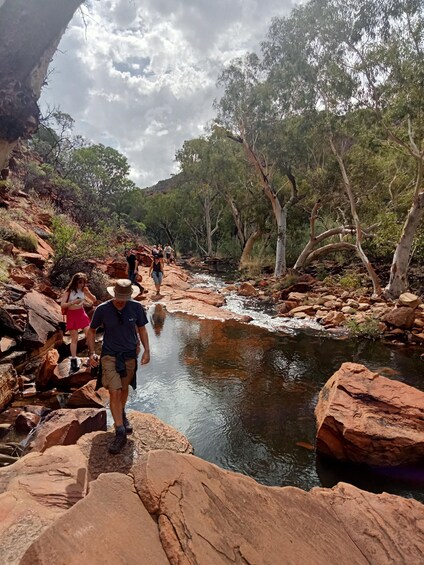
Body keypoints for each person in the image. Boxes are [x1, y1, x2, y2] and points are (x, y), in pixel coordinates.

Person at [87, 279, 150, 454]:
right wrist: (91, 352)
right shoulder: (103, 309)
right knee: (114, 391)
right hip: (109, 355)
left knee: (123, 389)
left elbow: (142, 330)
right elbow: (91, 330)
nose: (122, 301)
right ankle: (120, 432)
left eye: (125, 297)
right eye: (119, 297)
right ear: (114, 294)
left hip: (130, 355)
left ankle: (120, 413)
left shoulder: (136, 308)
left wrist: (147, 351)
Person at [61, 273, 96, 373]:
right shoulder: (69, 291)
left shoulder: (84, 290)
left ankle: (92, 354)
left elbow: (94, 299)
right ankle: (73, 359)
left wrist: (88, 293)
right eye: (80, 282)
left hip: (81, 313)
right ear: (75, 281)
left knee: (89, 333)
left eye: (84, 282)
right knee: (74, 338)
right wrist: (73, 302)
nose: (82, 284)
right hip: (72, 314)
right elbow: (63, 305)